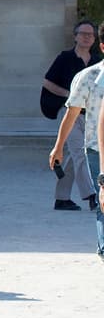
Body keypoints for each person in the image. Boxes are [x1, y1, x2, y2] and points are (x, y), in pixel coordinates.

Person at [49, 29, 104, 261]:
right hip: (96, 147)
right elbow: (71, 113)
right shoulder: (89, 77)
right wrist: (59, 146)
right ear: (102, 47)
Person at [43, 21, 101, 210]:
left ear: (95, 39)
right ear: (75, 36)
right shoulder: (65, 58)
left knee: (71, 157)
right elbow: (48, 83)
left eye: (90, 35)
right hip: (70, 113)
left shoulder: (96, 61)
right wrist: (70, 96)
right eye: (82, 33)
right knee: (80, 153)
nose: (86, 37)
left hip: (91, 115)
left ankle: (61, 197)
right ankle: (92, 195)